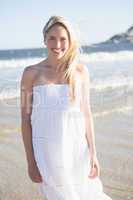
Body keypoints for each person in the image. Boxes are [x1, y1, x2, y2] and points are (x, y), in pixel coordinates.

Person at [20, 15, 112, 200]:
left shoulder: (79, 72)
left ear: (70, 41)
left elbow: (86, 114)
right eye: (52, 38)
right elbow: (25, 120)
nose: (57, 44)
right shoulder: (31, 73)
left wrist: (93, 154)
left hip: (77, 150)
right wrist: (31, 162)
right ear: (44, 39)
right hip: (46, 152)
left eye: (63, 39)